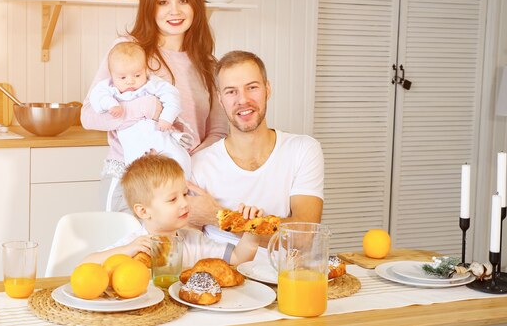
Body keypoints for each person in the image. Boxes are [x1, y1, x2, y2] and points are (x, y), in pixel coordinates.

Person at [81, 0, 228, 212]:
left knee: (177, 253)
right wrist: (144, 109)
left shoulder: (208, 64)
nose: (175, 11)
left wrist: (183, 166)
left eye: (184, 0)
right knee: (129, 253)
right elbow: (89, 116)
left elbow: (217, 132)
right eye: (163, 2)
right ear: (150, 6)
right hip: (130, 182)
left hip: (183, 187)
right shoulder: (128, 50)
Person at [187, 50, 324, 253]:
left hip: (281, 278)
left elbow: (302, 237)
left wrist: (218, 217)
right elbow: (190, 243)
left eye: (252, 88)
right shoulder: (199, 164)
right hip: (223, 276)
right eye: (231, 91)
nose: (243, 100)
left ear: (267, 89)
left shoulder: (303, 150)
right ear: (220, 99)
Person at [81, 154, 262, 267]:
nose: (184, 203)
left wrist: (252, 232)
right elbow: (85, 264)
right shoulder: (137, 244)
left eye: (184, 194)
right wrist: (127, 250)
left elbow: (239, 258)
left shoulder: (194, 241)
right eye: (173, 199)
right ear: (143, 211)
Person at [87, 41, 193, 176]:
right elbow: (97, 97)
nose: (130, 81)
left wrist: (167, 117)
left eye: (137, 75)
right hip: (134, 144)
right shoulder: (110, 88)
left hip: (160, 134)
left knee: (179, 160)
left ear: (145, 70)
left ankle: (184, 180)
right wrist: (110, 103)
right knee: (140, 174)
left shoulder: (151, 83)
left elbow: (172, 96)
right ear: (112, 76)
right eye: (123, 77)